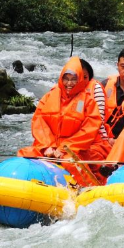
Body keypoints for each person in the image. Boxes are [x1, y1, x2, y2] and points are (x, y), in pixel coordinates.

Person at [17, 57, 108, 186]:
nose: (69, 83)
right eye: (66, 79)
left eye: (73, 79)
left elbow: (89, 130)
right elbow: (39, 122)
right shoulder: (50, 96)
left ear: (80, 80)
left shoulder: (88, 101)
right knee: (25, 154)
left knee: (70, 162)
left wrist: (65, 149)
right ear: (61, 78)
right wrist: (48, 146)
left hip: (73, 150)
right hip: (48, 147)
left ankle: (87, 189)